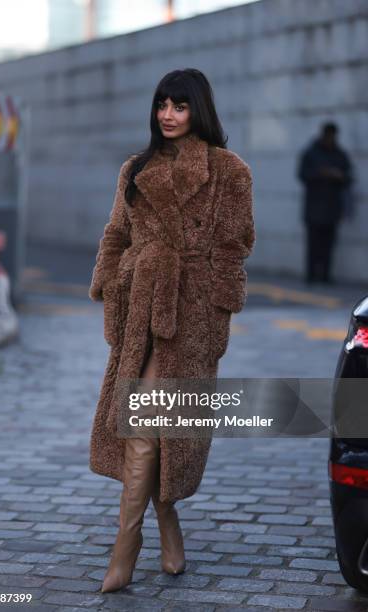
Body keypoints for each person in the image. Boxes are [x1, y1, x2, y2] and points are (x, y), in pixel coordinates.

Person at [88, 68, 256, 593]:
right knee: (144, 424)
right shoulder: (135, 169)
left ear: (198, 109)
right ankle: (139, 535)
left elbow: (235, 247)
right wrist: (114, 292)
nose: (167, 114)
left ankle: (131, 542)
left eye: (179, 105)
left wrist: (216, 319)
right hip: (139, 310)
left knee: (161, 425)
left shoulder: (229, 171)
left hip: (192, 317)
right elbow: (116, 235)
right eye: (162, 103)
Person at [297, 122, 353, 285]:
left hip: (332, 207)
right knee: (313, 244)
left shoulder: (340, 154)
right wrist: (322, 174)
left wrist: (339, 176)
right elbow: (302, 175)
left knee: (329, 245)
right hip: (314, 206)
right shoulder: (311, 153)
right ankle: (311, 275)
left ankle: (325, 276)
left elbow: (349, 176)